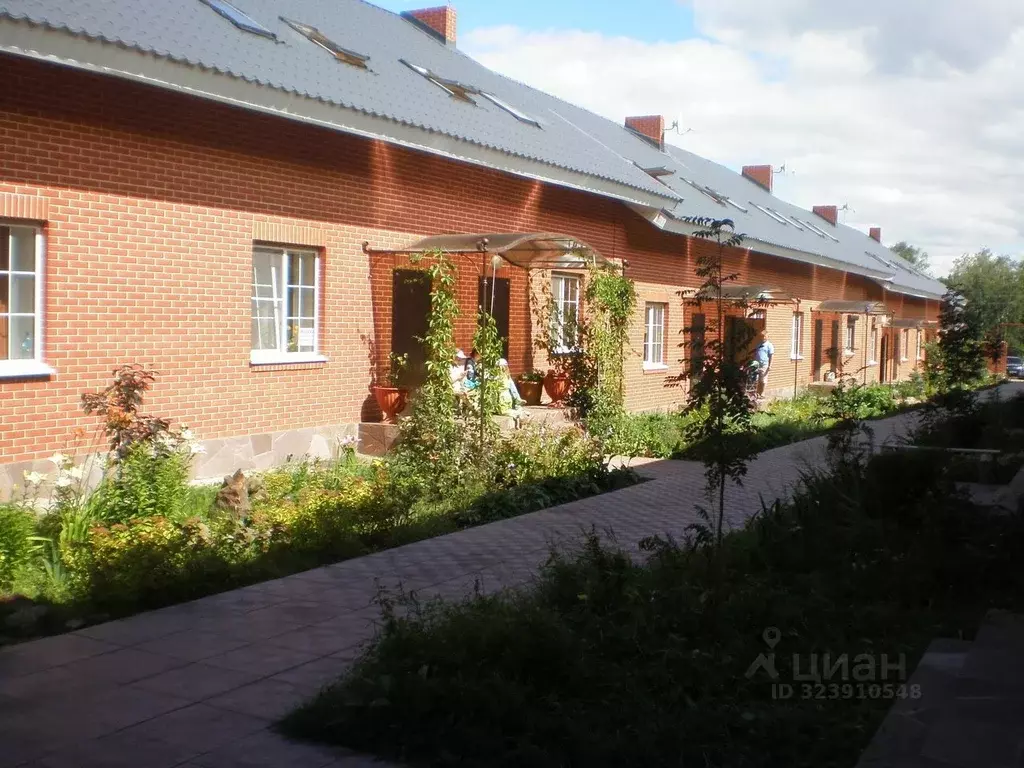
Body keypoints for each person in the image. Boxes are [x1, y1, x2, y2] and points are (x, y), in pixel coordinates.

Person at [497, 358, 525, 428]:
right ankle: (519, 413)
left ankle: (518, 414)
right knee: (507, 410)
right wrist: (518, 399)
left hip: (501, 398)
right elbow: (514, 390)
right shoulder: (508, 377)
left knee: (503, 411)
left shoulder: (497, 377)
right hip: (508, 398)